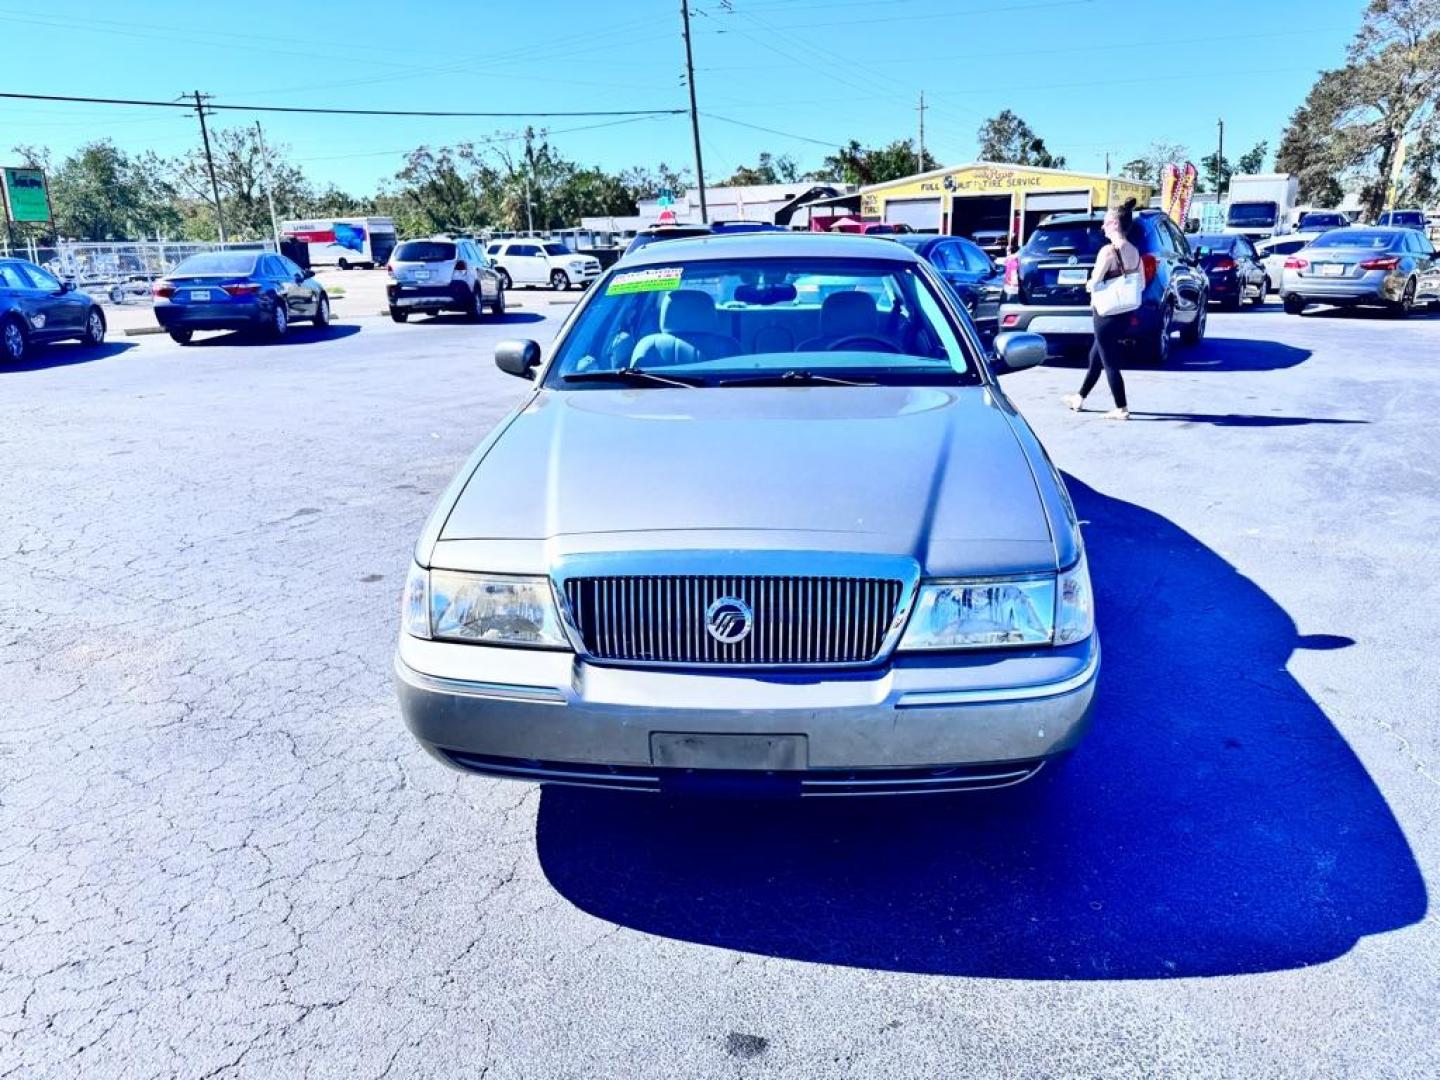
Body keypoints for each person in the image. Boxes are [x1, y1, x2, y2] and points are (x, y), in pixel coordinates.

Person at [1063, 197, 1137, 420]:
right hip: (1124, 311)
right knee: (1096, 355)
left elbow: (1095, 282)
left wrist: (1087, 284)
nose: (1102, 227)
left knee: (1109, 360)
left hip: (1105, 312)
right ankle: (1080, 397)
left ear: (1115, 223)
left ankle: (1121, 407)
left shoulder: (1107, 251)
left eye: (1105, 222)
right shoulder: (1134, 250)